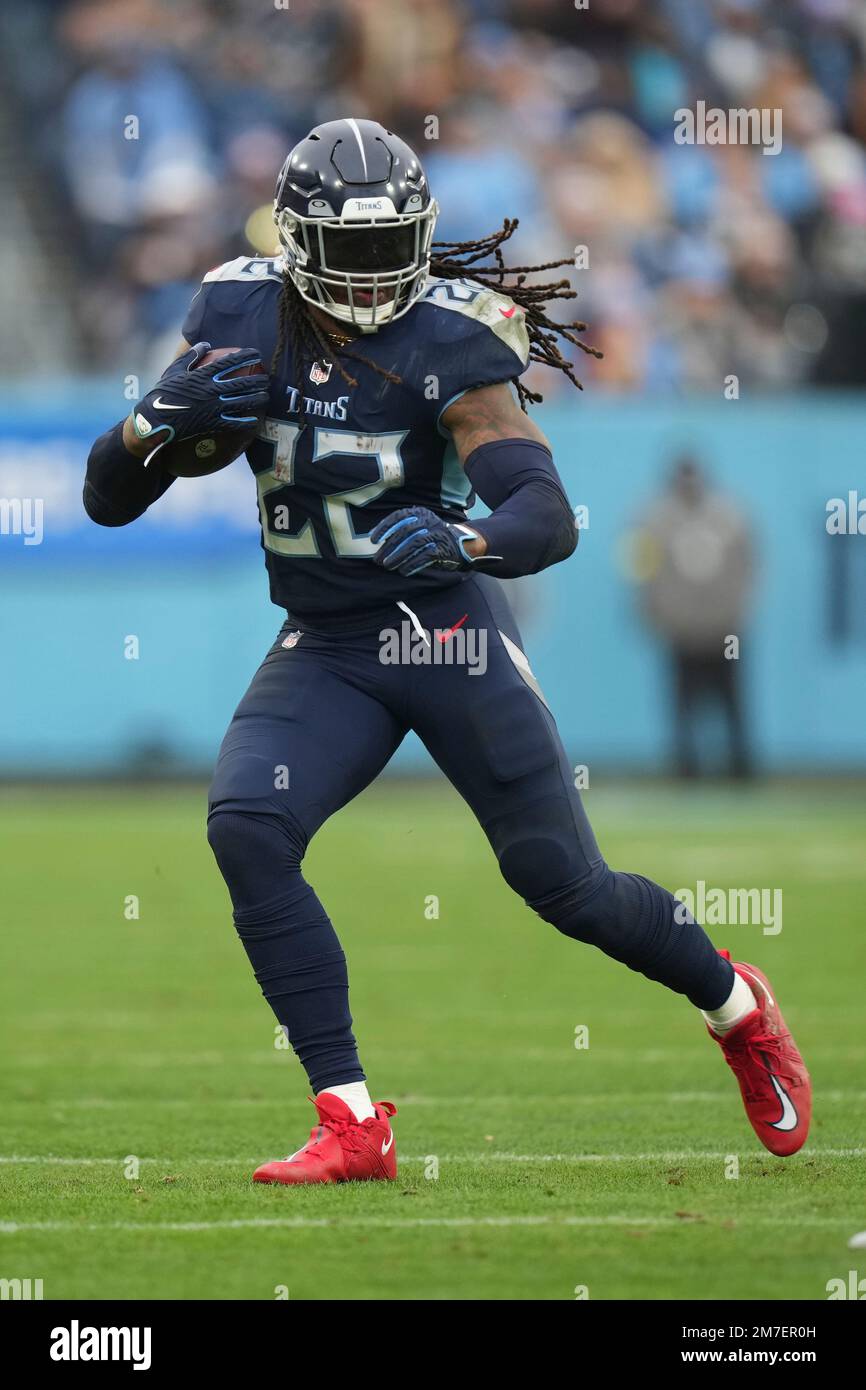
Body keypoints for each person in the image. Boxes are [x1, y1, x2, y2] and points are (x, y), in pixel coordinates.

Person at [84, 118, 810, 1184]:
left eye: (392, 249)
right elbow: (110, 498)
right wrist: (151, 423)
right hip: (327, 639)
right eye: (351, 251)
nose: (375, 277)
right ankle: (351, 1120)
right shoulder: (237, 313)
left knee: (561, 882)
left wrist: (466, 535)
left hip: (444, 628)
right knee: (246, 825)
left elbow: (544, 513)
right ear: (294, 243)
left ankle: (736, 1006)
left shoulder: (454, 341)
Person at [638, 455, 755, 779]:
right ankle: (687, 768)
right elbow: (645, 570)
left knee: (731, 704)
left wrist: (736, 612)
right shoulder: (657, 519)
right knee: (684, 706)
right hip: (682, 629)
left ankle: (739, 768)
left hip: (722, 628)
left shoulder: (727, 515)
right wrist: (655, 614)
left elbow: (747, 568)